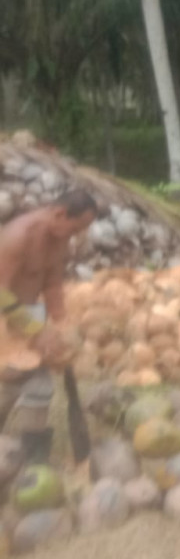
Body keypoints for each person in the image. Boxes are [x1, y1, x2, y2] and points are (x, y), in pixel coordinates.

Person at [0, 189, 98, 465]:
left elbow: (52, 283)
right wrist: (35, 330)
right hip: (5, 315)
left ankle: (31, 453)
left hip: (28, 313)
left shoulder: (59, 240)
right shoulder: (20, 236)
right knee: (23, 378)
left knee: (33, 382)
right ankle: (30, 453)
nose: (76, 235)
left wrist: (61, 322)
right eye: (76, 228)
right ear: (59, 214)